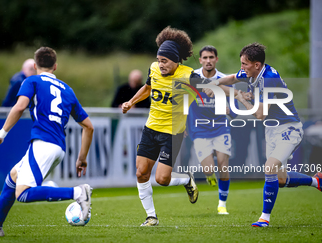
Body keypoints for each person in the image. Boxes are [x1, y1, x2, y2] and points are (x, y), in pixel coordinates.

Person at [203, 42, 322, 227]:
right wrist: (214, 83)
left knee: (269, 168)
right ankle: (316, 181)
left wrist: (240, 98)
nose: (242, 67)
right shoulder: (252, 72)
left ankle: (264, 218)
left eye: (245, 64)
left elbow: (259, 115)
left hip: (288, 129)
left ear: (256, 64)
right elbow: (233, 78)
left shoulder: (268, 80)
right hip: (272, 130)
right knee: (280, 180)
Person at [0, 47, 94, 237]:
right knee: (12, 178)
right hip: (57, 146)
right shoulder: (67, 90)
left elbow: (20, 107)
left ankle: (77, 192)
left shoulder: (31, 80)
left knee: (23, 193)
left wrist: (2, 133)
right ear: (55, 66)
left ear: (34, 65)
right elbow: (89, 126)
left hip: (43, 143)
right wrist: (82, 158)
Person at [122, 26, 201, 226]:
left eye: (164, 61)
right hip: (151, 129)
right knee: (141, 173)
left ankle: (185, 179)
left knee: (162, 180)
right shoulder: (154, 69)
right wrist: (131, 102)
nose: (160, 64)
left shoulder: (189, 76)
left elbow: (205, 95)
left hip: (172, 133)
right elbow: (148, 88)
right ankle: (151, 217)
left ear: (176, 61)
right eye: (159, 60)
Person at [187, 45, 238, 215]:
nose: (208, 61)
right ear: (200, 60)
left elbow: (236, 111)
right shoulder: (192, 78)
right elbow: (182, 102)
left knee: (224, 165)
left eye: (211, 57)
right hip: (199, 128)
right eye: (205, 58)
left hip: (220, 128)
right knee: (208, 169)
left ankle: (222, 204)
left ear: (216, 59)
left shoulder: (224, 79)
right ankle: (209, 175)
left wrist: (230, 111)